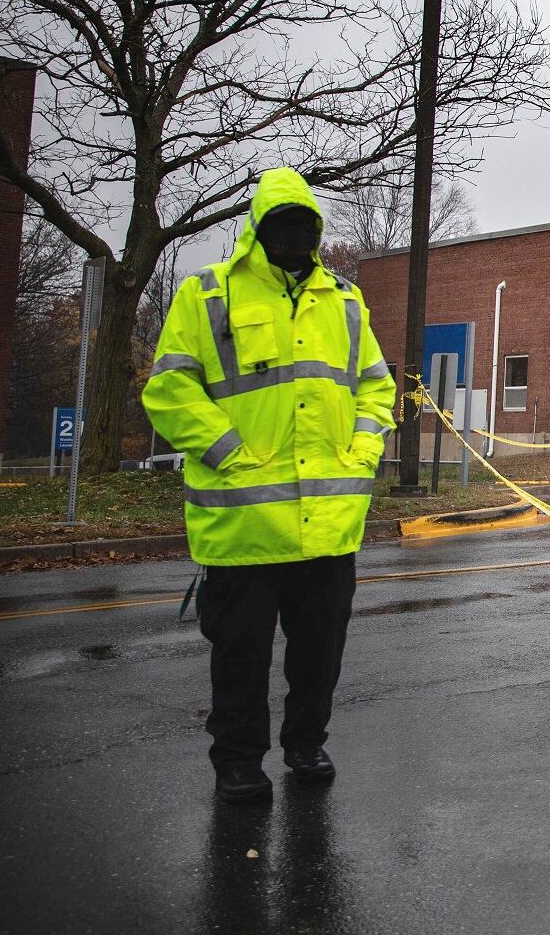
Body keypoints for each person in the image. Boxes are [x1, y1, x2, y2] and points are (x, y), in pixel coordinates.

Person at [142, 168, 395, 804]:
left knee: (319, 656)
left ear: (315, 232)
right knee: (240, 657)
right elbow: (169, 389)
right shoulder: (209, 295)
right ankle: (237, 759)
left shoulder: (344, 300)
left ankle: (306, 744)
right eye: (280, 225)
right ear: (257, 230)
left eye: (303, 226)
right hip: (244, 526)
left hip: (329, 527)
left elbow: (376, 385)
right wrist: (229, 451)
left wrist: (362, 451)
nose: (293, 236)